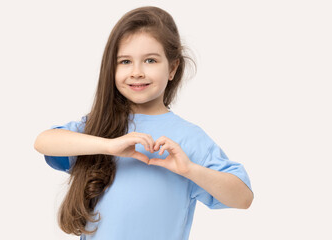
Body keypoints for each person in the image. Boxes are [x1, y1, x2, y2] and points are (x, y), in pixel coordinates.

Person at [34, 6, 253, 240]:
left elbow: (243, 198)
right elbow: (43, 141)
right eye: (125, 61)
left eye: (150, 60)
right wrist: (108, 146)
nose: (136, 72)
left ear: (172, 68)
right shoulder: (98, 127)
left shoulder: (189, 137)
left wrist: (189, 169)